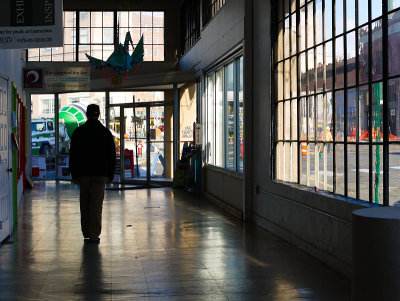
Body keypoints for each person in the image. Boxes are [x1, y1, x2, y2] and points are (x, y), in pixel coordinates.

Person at [69, 104, 116, 243]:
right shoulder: (106, 133)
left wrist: (74, 174)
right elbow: (112, 155)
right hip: (101, 174)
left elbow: (74, 155)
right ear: (99, 114)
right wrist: (111, 173)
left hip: (83, 174)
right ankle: (94, 234)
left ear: (87, 114)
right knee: (96, 204)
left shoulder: (78, 132)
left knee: (84, 203)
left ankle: (86, 232)